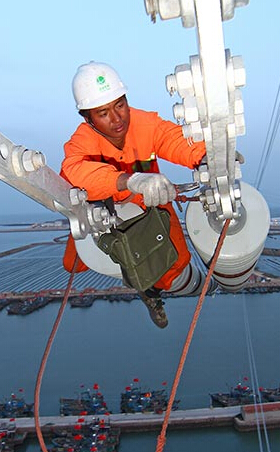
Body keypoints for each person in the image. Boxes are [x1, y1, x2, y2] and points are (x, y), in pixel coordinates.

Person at [60, 61, 206, 328]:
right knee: (76, 261)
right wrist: (127, 180)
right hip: (101, 208)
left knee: (174, 263)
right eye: (103, 112)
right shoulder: (83, 141)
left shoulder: (145, 123)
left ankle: (149, 292)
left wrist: (207, 157)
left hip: (147, 204)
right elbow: (72, 172)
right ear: (87, 118)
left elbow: (173, 140)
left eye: (120, 105)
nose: (117, 119)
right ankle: (136, 274)